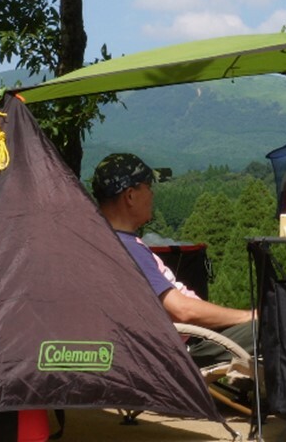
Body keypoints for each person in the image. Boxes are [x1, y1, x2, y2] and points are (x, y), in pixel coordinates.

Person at [91, 152, 255, 367]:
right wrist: (248, 316)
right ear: (130, 196)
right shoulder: (126, 248)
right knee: (276, 328)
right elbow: (181, 310)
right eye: (148, 187)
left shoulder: (96, 240)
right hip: (167, 357)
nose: (152, 195)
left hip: (143, 352)